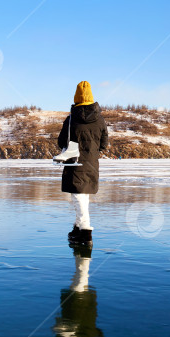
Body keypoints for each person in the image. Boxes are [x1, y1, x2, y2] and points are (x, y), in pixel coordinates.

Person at [53, 81, 109, 247]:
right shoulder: (100, 120)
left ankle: (85, 232)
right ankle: (78, 227)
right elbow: (104, 145)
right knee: (82, 196)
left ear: (76, 97)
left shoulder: (71, 120)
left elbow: (62, 141)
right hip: (91, 163)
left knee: (78, 195)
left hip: (74, 162)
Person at [53, 245, 103, 337]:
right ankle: (81, 249)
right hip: (80, 316)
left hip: (78, 315)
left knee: (81, 277)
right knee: (81, 277)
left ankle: (81, 249)